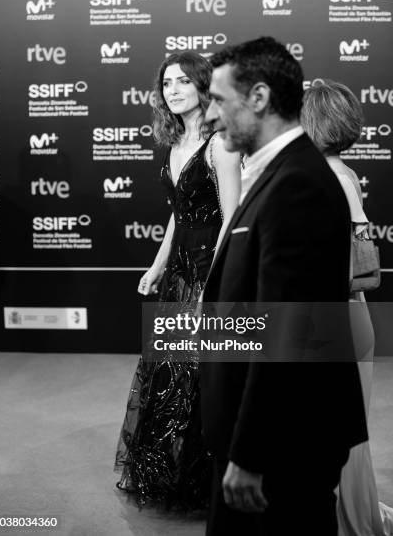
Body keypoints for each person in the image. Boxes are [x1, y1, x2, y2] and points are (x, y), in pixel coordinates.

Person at [200, 37, 368, 535]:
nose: (210, 116)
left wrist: (249, 454)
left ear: (258, 98)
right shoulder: (281, 172)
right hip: (268, 437)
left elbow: (288, 335)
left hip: (281, 446)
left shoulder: (298, 183)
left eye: (218, 99)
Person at [114, 51, 241, 510]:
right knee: (168, 375)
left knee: (200, 378)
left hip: (208, 272)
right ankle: (168, 476)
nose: (173, 90)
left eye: (183, 81)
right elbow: (178, 215)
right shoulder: (173, 144)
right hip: (179, 274)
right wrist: (157, 265)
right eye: (167, 83)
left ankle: (206, 482)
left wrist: (217, 281)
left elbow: (231, 218)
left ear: (203, 87)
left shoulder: (221, 144)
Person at [301, 79, 393, 536]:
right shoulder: (344, 172)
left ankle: (351, 521)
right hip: (349, 318)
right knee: (344, 436)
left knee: (333, 437)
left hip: (330, 320)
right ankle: (354, 516)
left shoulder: (327, 178)